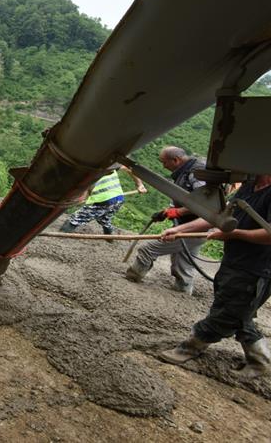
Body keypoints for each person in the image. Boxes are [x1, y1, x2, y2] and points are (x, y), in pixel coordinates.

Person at [158, 174, 271, 379]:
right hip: (234, 260)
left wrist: (233, 234)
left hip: (257, 268)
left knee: (227, 313)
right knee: (238, 312)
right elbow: (218, 215)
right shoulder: (250, 184)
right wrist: (179, 229)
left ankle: (190, 347)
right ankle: (260, 360)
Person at [126, 147, 207, 294]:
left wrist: (177, 212)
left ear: (176, 160)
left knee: (147, 249)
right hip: (193, 227)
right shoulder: (185, 172)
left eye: (164, 163)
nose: (164, 166)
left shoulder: (196, 173)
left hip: (196, 228)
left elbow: (205, 205)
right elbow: (185, 199)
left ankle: (132, 278)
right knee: (182, 263)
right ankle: (182, 291)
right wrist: (166, 212)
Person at [60, 167, 147, 235]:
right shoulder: (110, 165)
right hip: (118, 199)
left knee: (75, 219)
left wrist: (79, 199)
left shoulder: (89, 171)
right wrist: (139, 185)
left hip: (104, 200)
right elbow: (128, 168)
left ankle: (60, 237)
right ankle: (108, 235)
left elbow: (83, 195)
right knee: (104, 219)